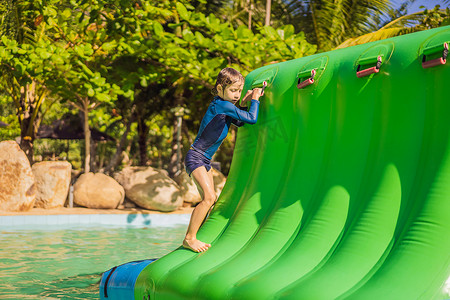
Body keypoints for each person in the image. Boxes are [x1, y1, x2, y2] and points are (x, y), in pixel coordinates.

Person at [183, 67, 263, 253]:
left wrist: (245, 101)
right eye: (232, 91)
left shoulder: (224, 106)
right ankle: (189, 238)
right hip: (196, 157)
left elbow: (240, 121)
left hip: (204, 160)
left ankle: (198, 233)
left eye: (239, 91)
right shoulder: (223, 105)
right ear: (220, 89)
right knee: (209, 198)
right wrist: (256, 99)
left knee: (210, 199)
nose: (236, 95)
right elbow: (251, 119)